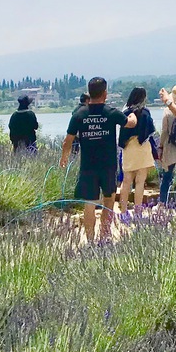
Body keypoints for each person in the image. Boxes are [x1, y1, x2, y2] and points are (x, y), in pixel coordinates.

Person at [60, 77, 138, 242]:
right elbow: (129, 123)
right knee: (108, 200)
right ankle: (104, 235)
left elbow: (68, 140)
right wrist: (133, 115)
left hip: (87, 165)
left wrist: (64, 157)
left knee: (89, 203)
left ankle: (90, 240)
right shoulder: (111, 112)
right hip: (108, 165)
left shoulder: (79, 114)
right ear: (105, 93)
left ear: (89, 93)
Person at [118, 86, 157, 213]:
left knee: (126, 181)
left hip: (129, 148)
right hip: (142, 148)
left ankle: (123, 211)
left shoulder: (126, 113)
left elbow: (122, 134)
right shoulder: (145, 113)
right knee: (140, 182)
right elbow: (150, 131)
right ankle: (138, 211)